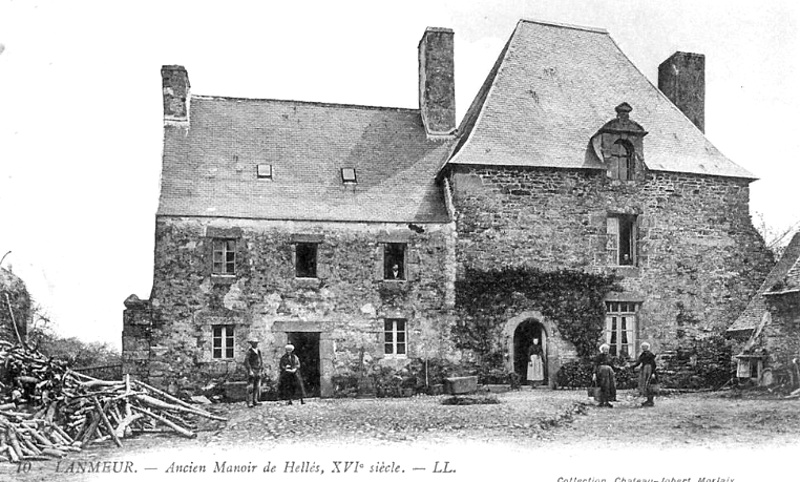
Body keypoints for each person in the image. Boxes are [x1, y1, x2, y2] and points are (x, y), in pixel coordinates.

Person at [630, 342, 657, 407]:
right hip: (644, 370)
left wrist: (653, 373)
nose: (643, 348)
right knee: (645, 384)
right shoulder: (643, 354)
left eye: (644, 347)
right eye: (642, 347)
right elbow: (639, 362)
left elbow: (653, 364)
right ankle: (648, 400)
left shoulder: (650, 355)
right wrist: (632, 367)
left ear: (647, 347)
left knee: (649, 385)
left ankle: (650, 401)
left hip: (649, 370)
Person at [592, 343, 617, 408]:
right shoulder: (598, 357)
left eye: (607, 349)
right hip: (601, 372)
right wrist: (594, 374)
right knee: (602, 385)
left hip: (609, 372)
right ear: (602, 350)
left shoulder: (610, 356)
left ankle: (607, 401)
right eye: (605, 349)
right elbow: (595, 365)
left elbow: (612, 365)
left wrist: (618, 369)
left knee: (610, 386)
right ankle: (601, 401)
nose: (606, 350)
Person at [243, 337, 263, 407]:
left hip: (258, 370)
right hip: (252, 370)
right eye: (254, 343)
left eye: (256, 343)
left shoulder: (259, 351)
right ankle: (250, 402)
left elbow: (261, 360)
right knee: (250, 387)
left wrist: (261, 369)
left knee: (256, 386)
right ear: (251, 344)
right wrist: (250, 370)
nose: (255, 344)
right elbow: (246, 361)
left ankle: (255, 400)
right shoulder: (249, 352)